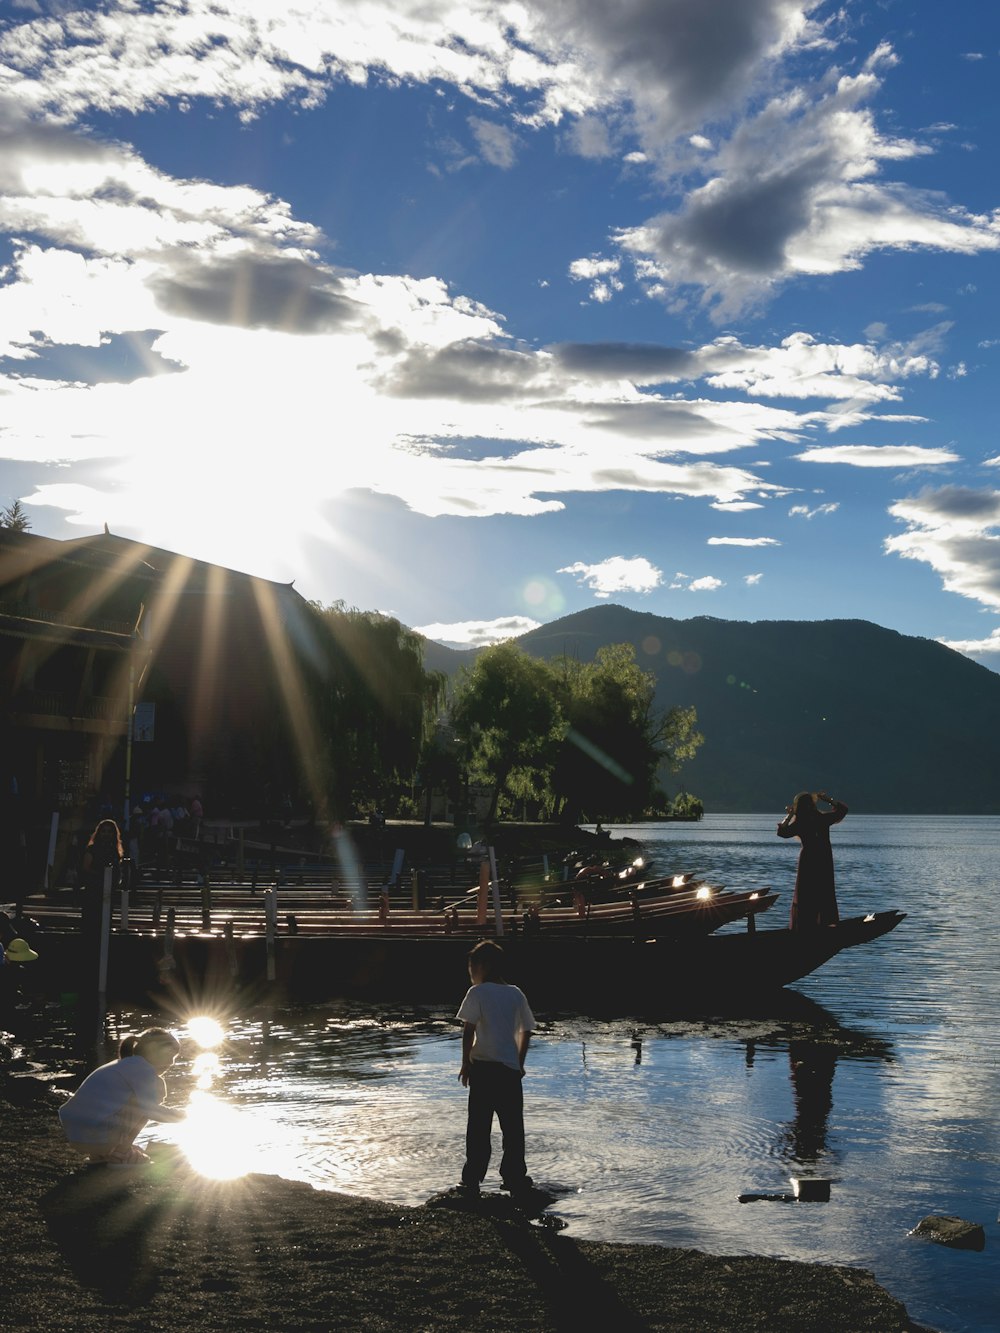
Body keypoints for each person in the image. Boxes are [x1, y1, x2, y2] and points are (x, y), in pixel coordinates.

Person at [456, 939, 535, 1197]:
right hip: (509, 1072)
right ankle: (514, 1176)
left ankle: (472, 1178)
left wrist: (466, 1062)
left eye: (472, 967)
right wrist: (519, 1064)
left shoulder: (477, 993)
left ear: (483, 966)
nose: (470, 972)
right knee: (513, 1128)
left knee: (478, 1127)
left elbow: (468, 1031)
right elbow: (527, 1030)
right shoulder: (516, 993)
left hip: (483, 1070)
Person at [58, 1027, 185, 1164]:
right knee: (156, 1091)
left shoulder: (125, 1064)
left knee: (146, 1095)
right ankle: (121, 1153)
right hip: (95, 1136)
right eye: (170, 1055)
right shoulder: (144, 1070)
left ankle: (102, 1155)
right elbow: (151, 1111)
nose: (172, 1063)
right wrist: (185, 1116)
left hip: (78, 1135)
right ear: (153, 1048)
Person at [777, 790, 848, 929]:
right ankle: (825, 923)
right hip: (824, 859)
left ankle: (805, 925)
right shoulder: (822, 819)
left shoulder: (800, 823)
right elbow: (843, 810)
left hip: (808, 860)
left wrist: (790, 814)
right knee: (824, 889)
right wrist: (827, 799)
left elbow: (782, 832)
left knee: (806, 892)